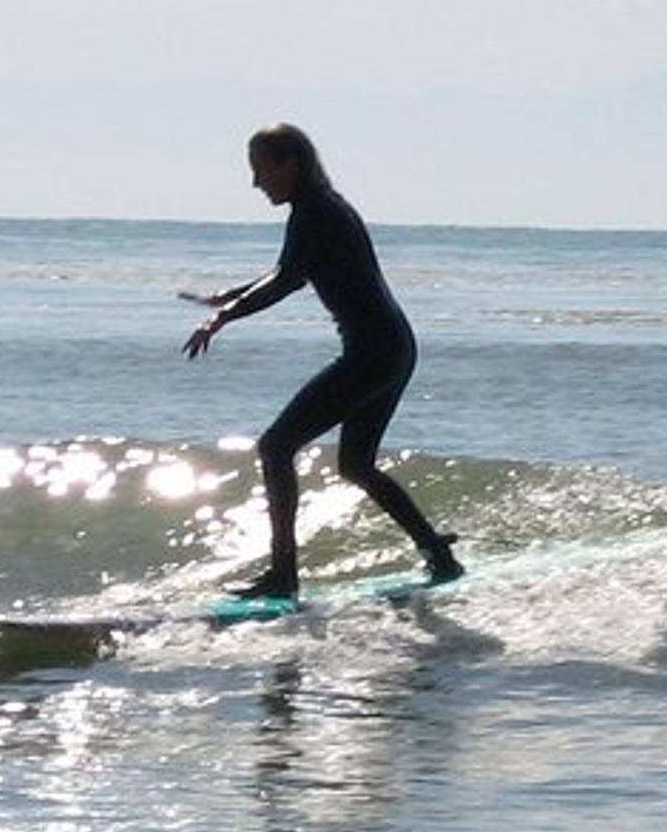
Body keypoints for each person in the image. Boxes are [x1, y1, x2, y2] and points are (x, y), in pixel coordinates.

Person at [183, 123, 462, 600]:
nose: (256, 183)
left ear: (290, 163)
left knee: (275, 448)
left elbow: (288, 279)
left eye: (260, 170)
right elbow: (287, 269)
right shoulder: (320, 207)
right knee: (355, 464)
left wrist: (225, 317)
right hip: (391, 349)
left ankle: (283, 576)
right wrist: (228, 297)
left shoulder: (318, 212)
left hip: (373, 354)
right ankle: (437, 551)